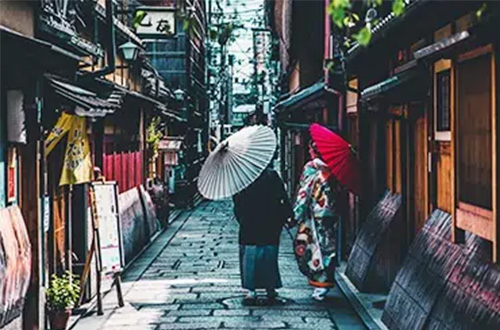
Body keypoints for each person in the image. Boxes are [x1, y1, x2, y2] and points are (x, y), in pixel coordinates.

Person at [289, 141, 342, 301]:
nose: (309, 151)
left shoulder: (311, 167)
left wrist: (295, 214)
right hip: (329, 215)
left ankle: (318, 284)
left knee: (310, 248)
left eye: (310, 149)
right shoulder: (332, 168)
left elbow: (303, 193)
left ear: (313, 151)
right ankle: (324, 285)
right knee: (327, 250)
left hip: (312, 215)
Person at [233, 166, 292, 304]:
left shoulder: (242, 175)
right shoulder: (272, 175)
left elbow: (237, 201)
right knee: (269, 254)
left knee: (250, 255)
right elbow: (282, 197)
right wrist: (286, 216)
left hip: (249, 222)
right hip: (270, 221)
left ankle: (250, 290)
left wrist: (241, 218)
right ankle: (270, 287)